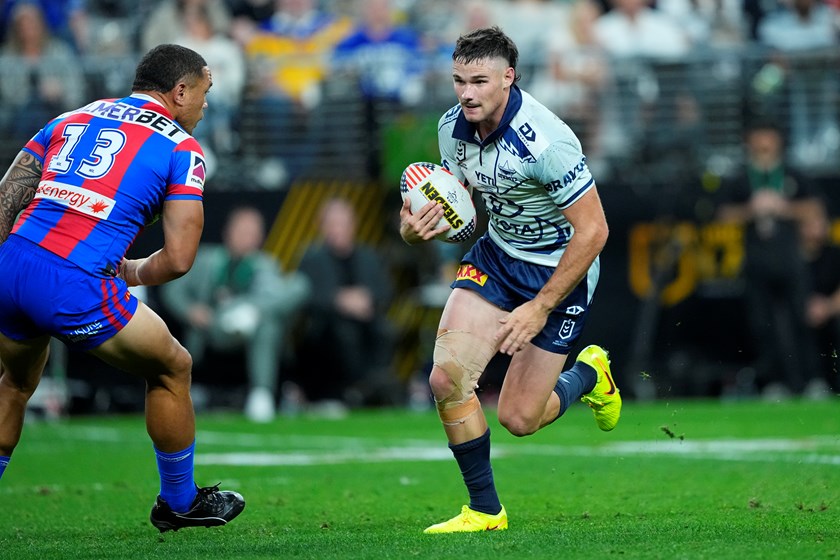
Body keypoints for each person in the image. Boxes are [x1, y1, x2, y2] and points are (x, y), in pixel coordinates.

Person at [0, 43, 245, 532]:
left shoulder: (72, 116)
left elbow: (9, 196)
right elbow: (178, 259)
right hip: (75, 279)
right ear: (179, 90)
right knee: (173, 365)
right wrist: (131, 272)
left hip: (12, 266)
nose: (205, 104)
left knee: (16, 385)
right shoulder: (181, 146)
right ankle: (179, 501)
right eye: (203, 92)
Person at [398, 26, 620, 533]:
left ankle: (590, 374)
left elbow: (594, 231)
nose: (467, 93)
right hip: (497, 257)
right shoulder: (450, 128)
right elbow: (468, 220)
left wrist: (540, 306)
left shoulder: (547, 141)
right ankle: (484, 510)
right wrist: (416, 231)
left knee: (520, 419)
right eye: (459, 81)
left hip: (560, 270)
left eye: (479, 81)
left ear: (508, 78)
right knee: (445, 379)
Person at [159, 205, 310, 423]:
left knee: (292, 293)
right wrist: (191, 310)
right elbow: (172, 290)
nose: (247, 238)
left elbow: (276, 297)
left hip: (254, 328)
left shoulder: (265, 264)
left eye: (253, 233)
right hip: (213, 327)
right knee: (266, 318)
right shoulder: (206, 259)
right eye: (242, 231)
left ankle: (261, 394)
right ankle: (244, 314)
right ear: (228, 232)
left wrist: (255, 309)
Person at [716, 121, 823, 398]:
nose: (763, 144)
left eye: (768, 138)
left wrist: (783, 207)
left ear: (777, 141)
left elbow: (815, 208)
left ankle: (811, 380)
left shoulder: (793, 173)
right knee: (763, 325)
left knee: (802, 320)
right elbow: (723, 214)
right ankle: (775, 383)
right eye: (758, 138)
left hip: (791, 259)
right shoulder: (741, 178)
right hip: (756, 262)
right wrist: (752, 210)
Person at [296, 196, 398, 408]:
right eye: (333, 224)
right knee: (344, 333)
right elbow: (304, 295)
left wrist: (366, 298)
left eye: (343, 223)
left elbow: (384, 290)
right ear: (322, 227)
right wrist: (338, 300)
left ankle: (375, 388)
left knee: (384, 330)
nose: (339, 229)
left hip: (367, 320)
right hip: (327, 325)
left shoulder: (368, 256)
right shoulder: (311, 258)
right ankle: (349, 391)